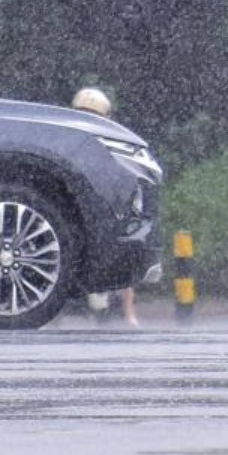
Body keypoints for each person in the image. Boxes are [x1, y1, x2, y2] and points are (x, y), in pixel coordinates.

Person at [72, 86, 140, 327]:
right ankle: (126, 313)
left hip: (95, 207)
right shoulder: (105, 139)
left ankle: (126, 312)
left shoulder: (72, 137)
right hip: (96, 208)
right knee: (123, 251)